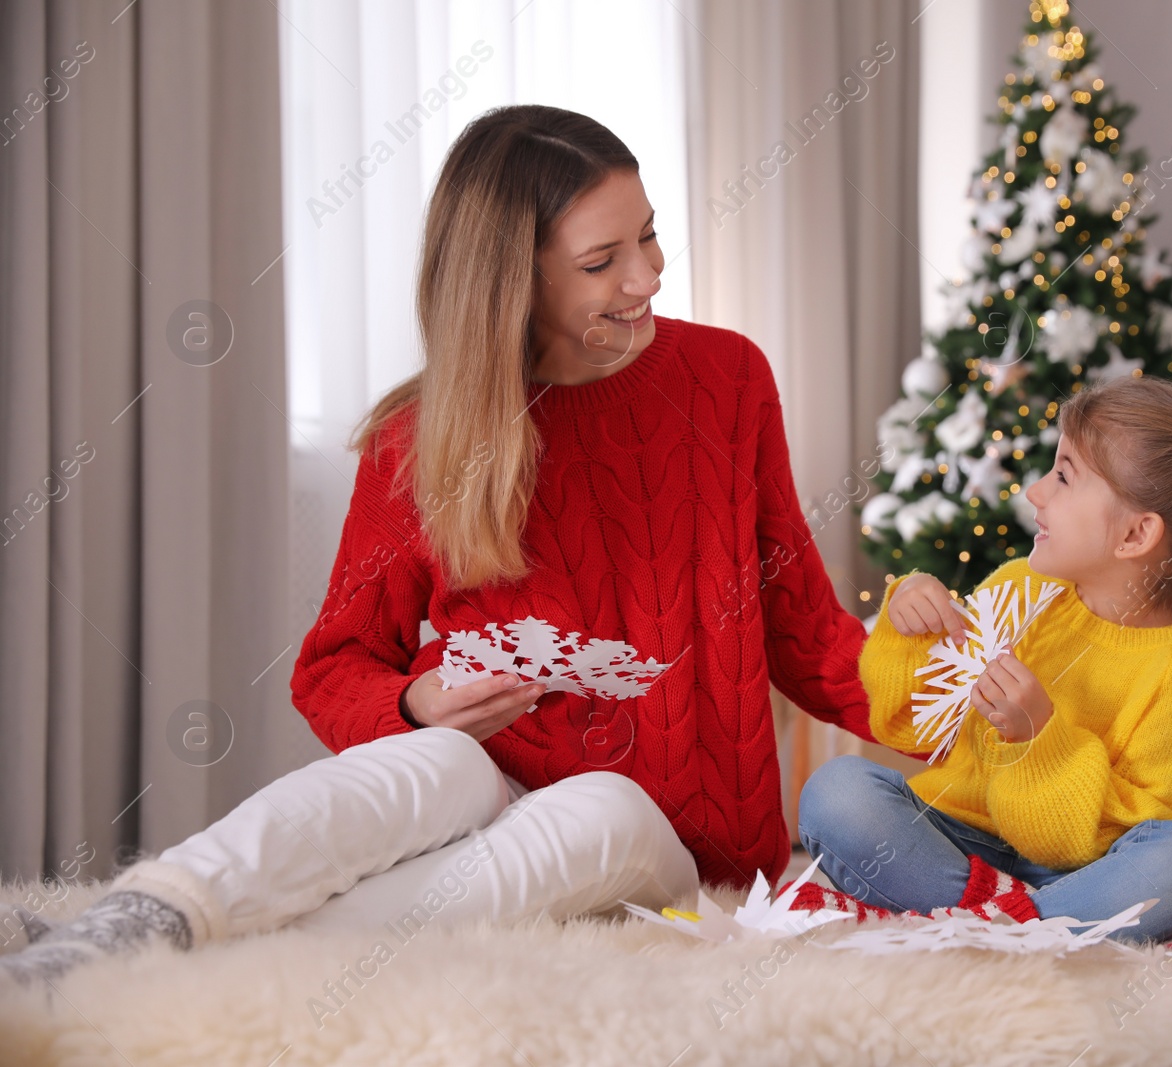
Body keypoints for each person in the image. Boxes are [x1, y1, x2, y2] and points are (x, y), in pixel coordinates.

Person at [2, 105, 877, 985]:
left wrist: (970, 712)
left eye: (648, 238)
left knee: (603, 805)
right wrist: (417, 706)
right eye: (601, 262)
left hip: (663, 851)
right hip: (486, 810)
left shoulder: (726, 380)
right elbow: (334, 666)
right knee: (442, 758)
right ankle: (141, 920)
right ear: (512, 282)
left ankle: (183, 945)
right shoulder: (418, 439)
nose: (647, 276)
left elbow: (804, 628)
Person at [788, 376, 1172, 943]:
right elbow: (906, 719)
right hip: (956, 844)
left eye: (1063, 476)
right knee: (837, 793)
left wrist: (1037, 742)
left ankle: (989, 925)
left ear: (1135, 534)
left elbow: (1138, 835)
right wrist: (909, 626)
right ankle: (1027, 926)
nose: (1035, 491)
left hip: (1090, 872)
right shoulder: (1020, 588)